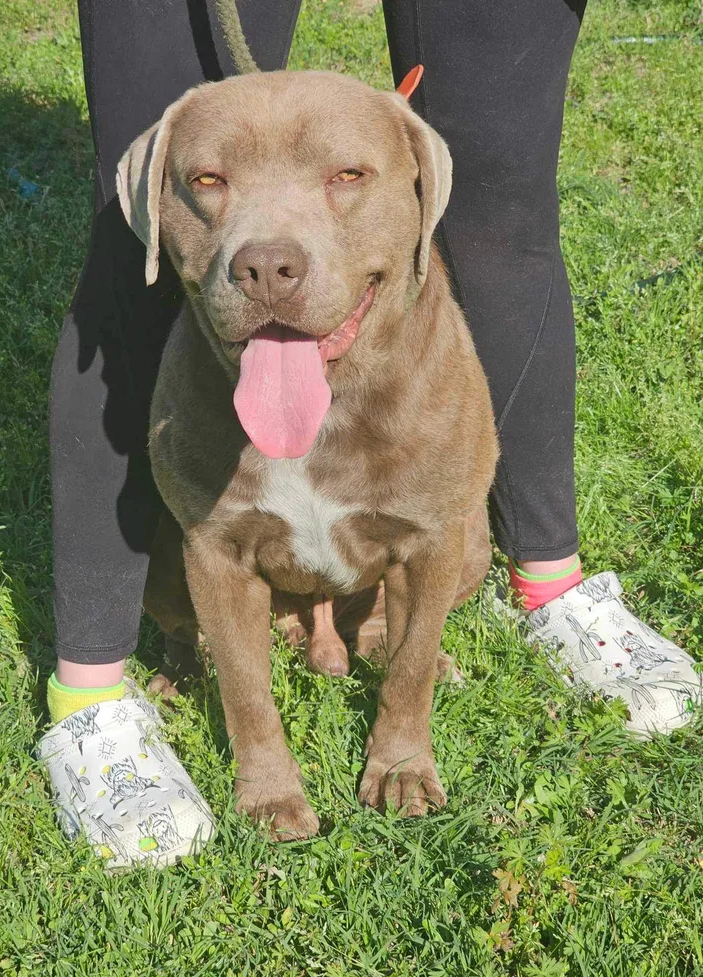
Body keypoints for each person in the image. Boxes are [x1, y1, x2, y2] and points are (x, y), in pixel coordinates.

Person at [38, 0, 701, 868]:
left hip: (409, 439)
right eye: (210, 184)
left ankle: (527, 603)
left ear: (419, 190)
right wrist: (262, 762)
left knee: (447, 527)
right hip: (219, 492)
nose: (268, 252)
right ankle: (96, 700)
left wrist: (402, 726)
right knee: (197, 526)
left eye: (346, 176)